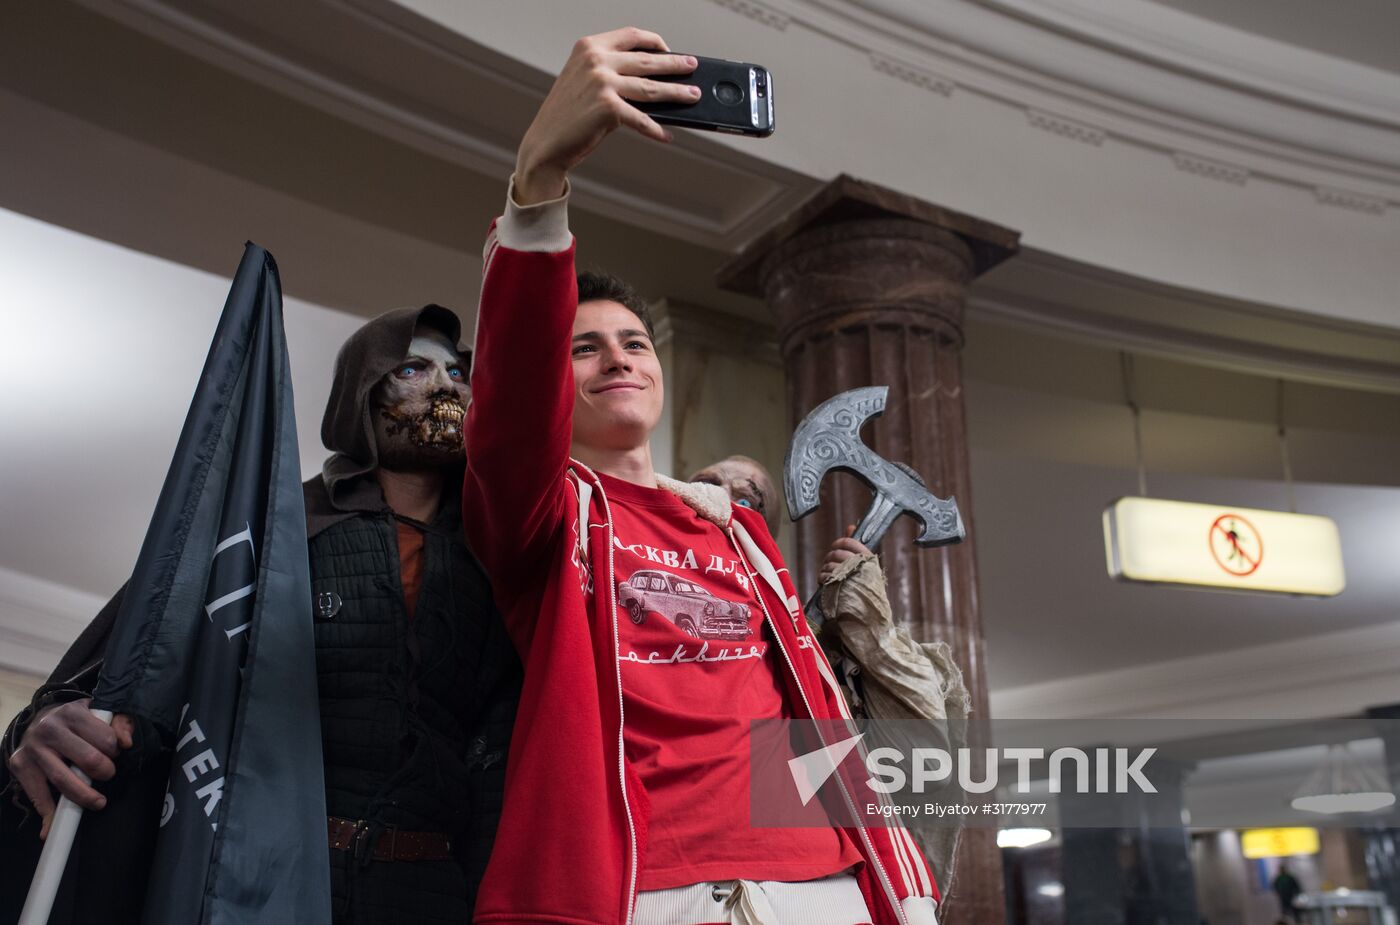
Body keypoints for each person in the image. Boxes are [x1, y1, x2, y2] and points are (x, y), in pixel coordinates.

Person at [463, 27, 940, 925]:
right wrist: (539, 182)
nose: (618, 357)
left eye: (635, 343)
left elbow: (801, 706)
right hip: (658, 887)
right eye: (583, 348)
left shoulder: (737, 531)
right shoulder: (549, 517)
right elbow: (511, 404)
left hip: (821, 881)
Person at [0, 305, 519, 924]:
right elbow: (139, 669)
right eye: (412, 368)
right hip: (260, 881)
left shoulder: (498, 564)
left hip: (430, 896)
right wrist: (47, 720)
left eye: (458, 373)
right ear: (360, 393)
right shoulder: (273, 531)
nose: (445, 386)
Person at [691, 457, 971, 895]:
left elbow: (922, 758)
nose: (719, 500)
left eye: (746, 500)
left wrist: (865, 616)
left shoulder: (800, 646)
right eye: (704, 485)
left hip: (789, 877)